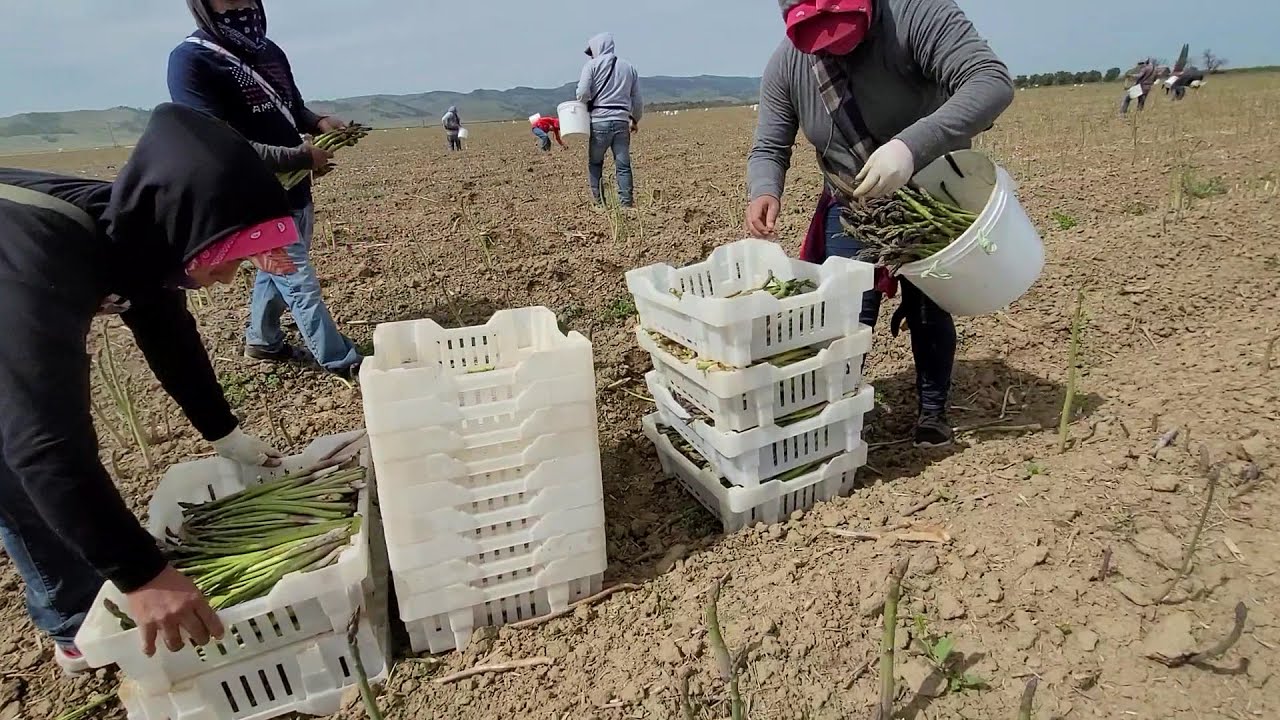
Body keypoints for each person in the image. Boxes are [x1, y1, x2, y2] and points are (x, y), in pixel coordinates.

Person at [0, 103, 295, 672]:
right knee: (16, 472)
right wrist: (144, 574)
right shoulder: (38, 270)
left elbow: (169, 333)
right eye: (226, 256)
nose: (231, 276)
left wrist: (225, 432)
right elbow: (43, 445)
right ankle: (72, 625)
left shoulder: (139, 232)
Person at [745, 0, 1014, 448]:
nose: (834, 44)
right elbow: (770, 145)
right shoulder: (787, 65)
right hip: (853, 202)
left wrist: (910, 147)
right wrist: (764, 190)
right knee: (846, 311)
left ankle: (932, 410)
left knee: (929, 305)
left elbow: (991, 82)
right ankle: (837, 413)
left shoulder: (916, 13)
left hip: (930, 193)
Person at [168, 0, 362, 376]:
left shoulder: (270, 52)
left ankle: (262, 341)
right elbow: (214, 140)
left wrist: (318, 122)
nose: (241, 6)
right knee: (298, 281)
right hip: (252, 199)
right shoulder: (191, 61)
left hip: (295, 192)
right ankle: (341, 362)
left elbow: (293, 108)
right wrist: (297, 158)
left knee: (277, 272)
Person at [576, 33, 643, 207]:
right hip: (622, 122)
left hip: (599, 121)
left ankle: (600, 204)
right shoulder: (629, 67)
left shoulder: (591, 66)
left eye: (592, 50)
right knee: (623, 165)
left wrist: (584, 106)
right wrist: (634, 119)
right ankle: (626, 204)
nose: (591, 54)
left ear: (598, 47)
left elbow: (582, 93)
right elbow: (637, 100)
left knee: (596, 163)